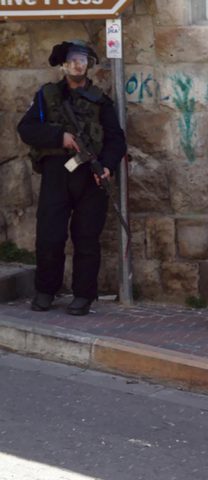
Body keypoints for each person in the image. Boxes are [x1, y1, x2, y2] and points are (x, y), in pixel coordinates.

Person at [16, 40, 127, 316]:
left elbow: (116, 139)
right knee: (50, 236)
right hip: (57, 173)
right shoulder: (48, 96)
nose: (79, 64)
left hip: (90, 176)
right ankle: (46, 290)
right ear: (64, 64)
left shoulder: (101, 101)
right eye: (73, 59)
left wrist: (108, 167)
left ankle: (83, 295)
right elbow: (27, 128)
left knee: (87, 238)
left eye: (83, 60)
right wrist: (59, 137)